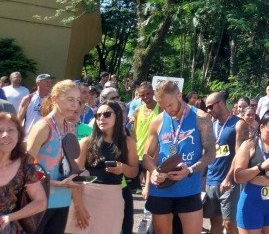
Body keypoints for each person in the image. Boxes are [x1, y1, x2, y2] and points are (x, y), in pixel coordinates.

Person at [142, 80, 216, 233]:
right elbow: (147, 156)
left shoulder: (201, 118)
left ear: (179, 95)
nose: (168, 110)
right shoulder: (158, 121)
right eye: (163, 107)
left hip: (188, 189)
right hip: (161, 189)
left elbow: (211, 153)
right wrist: (154, 171)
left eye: (170, 105)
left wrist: (189, 170)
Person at [72, 101, 138, 234]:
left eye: (107, 114)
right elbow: (75, 177)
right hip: (87, 196)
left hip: (113, 197)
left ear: (117, 116)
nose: (101, 118)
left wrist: (123, 168)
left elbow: (134, 172)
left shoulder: (128, 142)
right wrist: (78, 206)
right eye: (98, 115)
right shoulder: (86, 142)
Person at [25, 79, 82, 233]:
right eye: (70, 99)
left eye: (77, 100)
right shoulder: (43, 127)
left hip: (62, 200)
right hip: (40, 202)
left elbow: (67, 161)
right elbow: (26, 167)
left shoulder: (68, 127)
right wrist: (57, 183)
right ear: (55, 98)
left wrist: (80, 174)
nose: (75, 105)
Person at [204, 91, 249, 234]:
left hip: (229, 182)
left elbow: (240, 155)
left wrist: (228, 178)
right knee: (215, 221)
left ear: (222, 103)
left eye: (211, 106)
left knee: (229, 223)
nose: (208, 110)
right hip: (212, 180)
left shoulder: (239, 124)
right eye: (207, 107)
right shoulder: (211, 124)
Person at [0, 113, 47, 231]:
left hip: (8, 227)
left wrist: (9, 217)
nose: (5, 135)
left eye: (11, 130)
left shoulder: (25, 162)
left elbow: (40, 201)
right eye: (0, 131)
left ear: (19, 135)